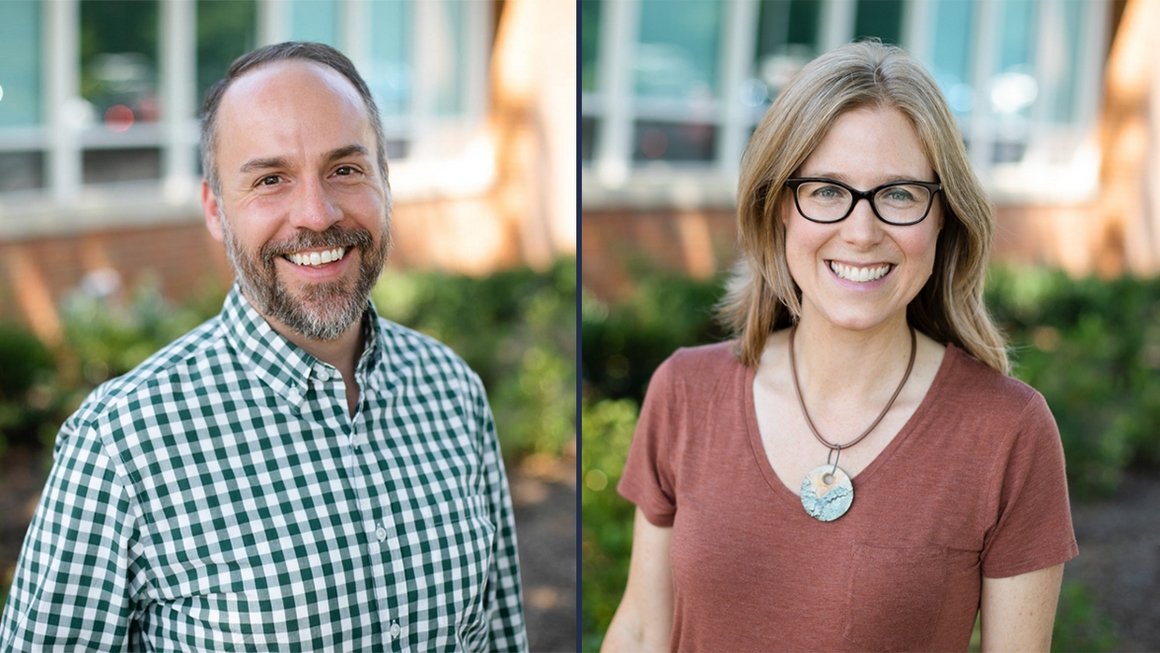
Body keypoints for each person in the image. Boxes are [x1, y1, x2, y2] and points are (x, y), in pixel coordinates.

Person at [0, 42, 527, 652]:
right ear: (216, 211)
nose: (317, 214)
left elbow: (500, 637)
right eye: (270, 179)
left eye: (346, 170)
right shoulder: (121, 446)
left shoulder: (452, 389)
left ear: (385, 181)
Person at [602, 41, 1077, 652]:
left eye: (900, 194)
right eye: (826, 190)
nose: (860, 232)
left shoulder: (1007, 431)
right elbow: (642, 630)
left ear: (944, 217)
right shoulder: (686, 392)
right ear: (777, 208)